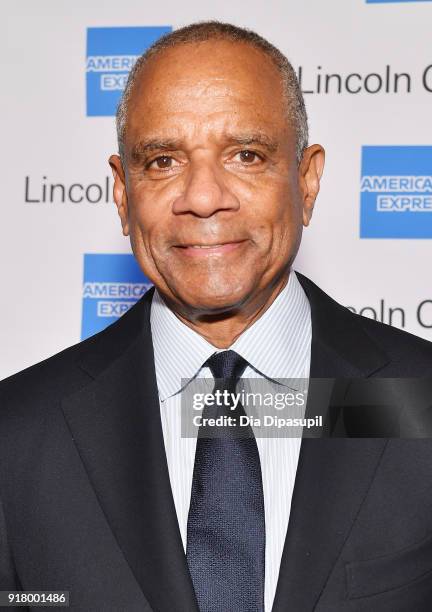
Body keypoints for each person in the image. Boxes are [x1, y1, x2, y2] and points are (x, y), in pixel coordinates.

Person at [1, 21, 432, 612]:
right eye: (162, 162)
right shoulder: (18, 434)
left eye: (246, 155)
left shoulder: (419, 402)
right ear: (123, 196)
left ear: (306, 182)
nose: (203, 197)